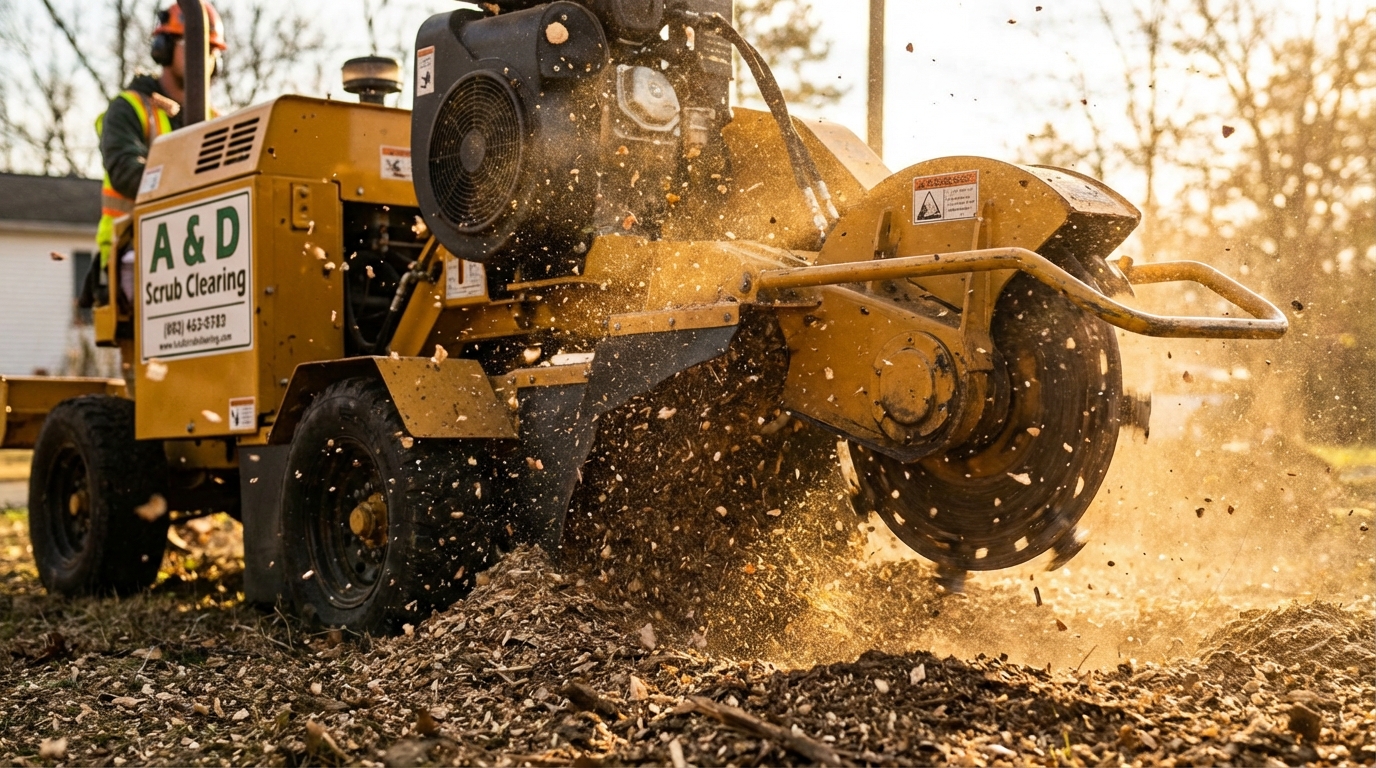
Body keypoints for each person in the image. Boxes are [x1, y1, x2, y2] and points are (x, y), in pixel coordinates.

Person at [83, 2, 226, 307]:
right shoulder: (130, 107)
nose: (204, 56)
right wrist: (184, 181)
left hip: (204, 257)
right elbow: (125, 170)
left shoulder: (219, 122)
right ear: (162, 48)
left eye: (211, 49)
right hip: (132, 251)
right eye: (192, 44)